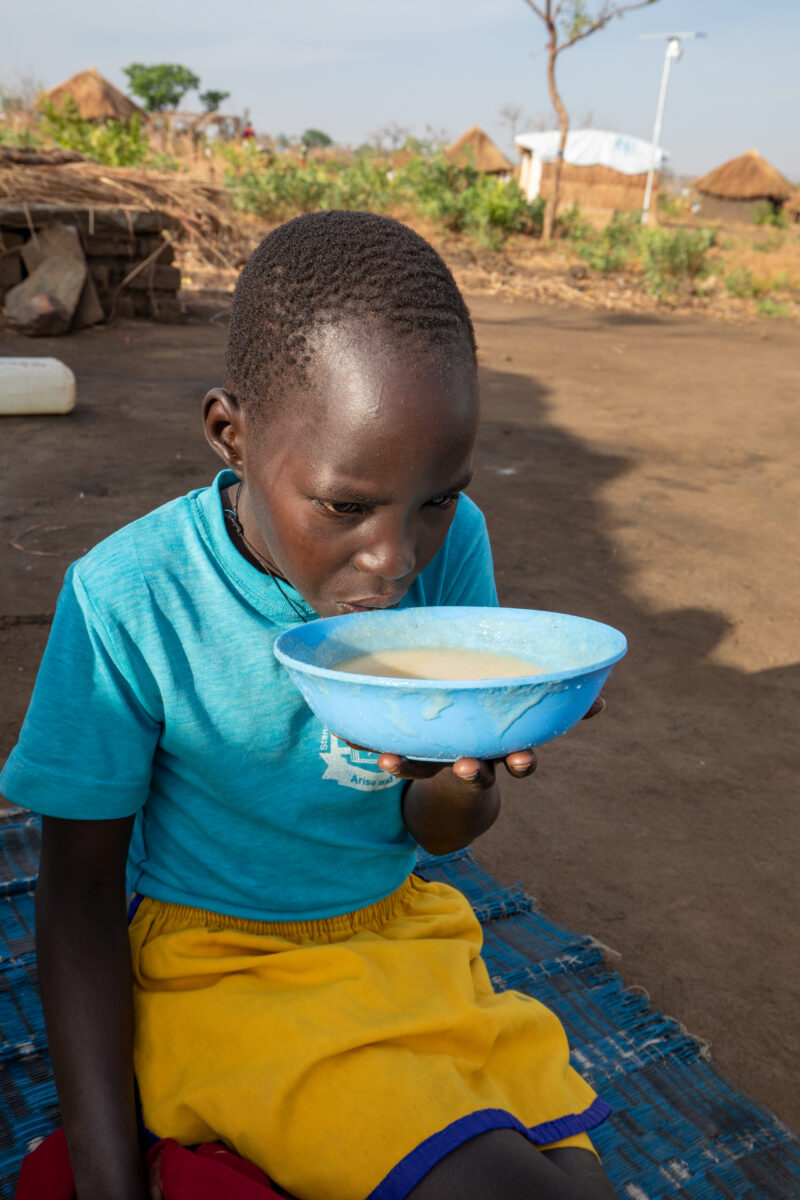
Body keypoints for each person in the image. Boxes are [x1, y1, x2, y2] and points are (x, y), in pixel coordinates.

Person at [1, 211, 616, 1200]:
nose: (397, 557)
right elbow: (74, 893)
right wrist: (107, 1184)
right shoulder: (131, 596)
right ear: (229, 434)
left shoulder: (453, 548)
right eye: (344, 507)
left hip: (396, 933)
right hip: (219, 964)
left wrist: (464, 769)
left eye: (435, 498)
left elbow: (439, 832)